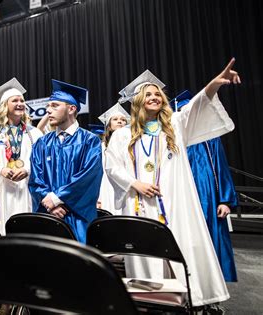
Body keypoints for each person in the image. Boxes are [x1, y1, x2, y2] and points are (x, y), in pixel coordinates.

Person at [105, 59, 240, 306]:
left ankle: (189, 301)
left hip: (175, 203)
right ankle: (152, 303)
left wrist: (214, 84)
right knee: (147, 260)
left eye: (158, 94)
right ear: (137, 101)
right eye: (149, 94)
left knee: (180, 250)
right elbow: (112, 167)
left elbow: (198, 106)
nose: (155, 97)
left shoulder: (175, 127)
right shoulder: (123, 135)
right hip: (140, 204)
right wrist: (134, 183)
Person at [172, 90, 238, 282]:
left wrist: (225, 200)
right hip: (181, 195)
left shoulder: (209, 137)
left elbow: (221, 167)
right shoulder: (172, 138)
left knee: (211, 239)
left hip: (206, 196)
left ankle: (211, 287)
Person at [28, 79, 103, 243]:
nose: (48, 110)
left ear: (71, 109)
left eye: (54, 105)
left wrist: (56, 199)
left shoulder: (89, 141)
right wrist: (49, 202)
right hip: (48, 215)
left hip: (78, 217)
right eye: (48, 106)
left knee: (78, 265)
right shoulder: (42, 143)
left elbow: (88, 178)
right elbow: (35, 179)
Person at [0, 78, 43, 233]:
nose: (20, 103)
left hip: (26, 188)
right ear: (5, 105)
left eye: (22, 100)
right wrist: (0, 170)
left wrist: (27, 169)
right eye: (15, 100)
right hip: (2, 189)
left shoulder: (35, 133)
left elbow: (42, 161)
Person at [96, 102, 130, 215]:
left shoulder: (133, 144)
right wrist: (98, 197)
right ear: (109, 126)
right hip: (108, 187)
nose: (120, 121)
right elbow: (98, 173)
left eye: (123, 119)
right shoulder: (102, 147)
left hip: (128, 185)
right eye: (115, 119)